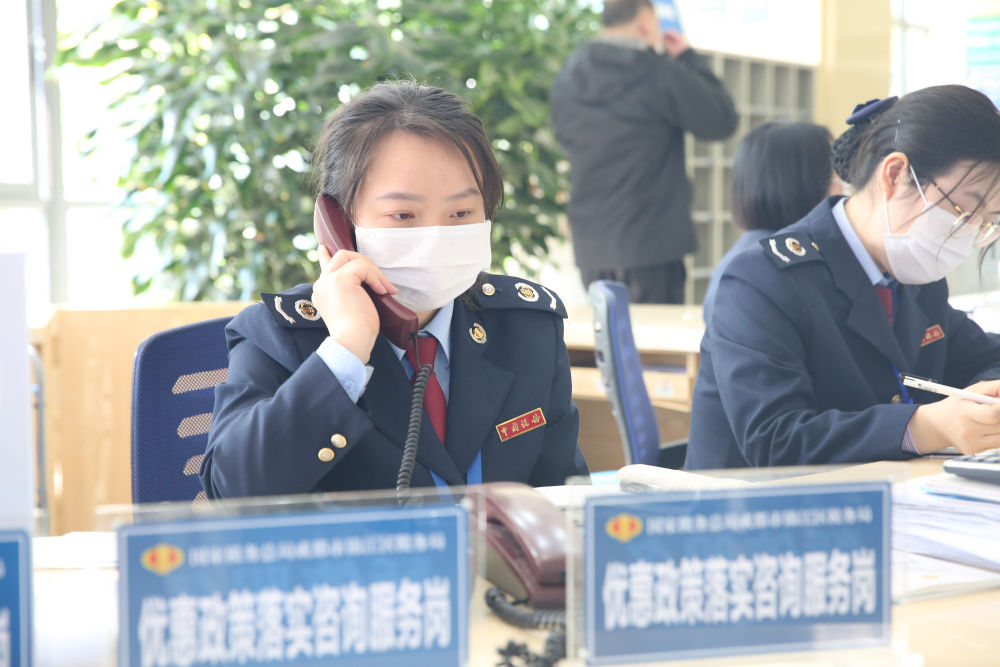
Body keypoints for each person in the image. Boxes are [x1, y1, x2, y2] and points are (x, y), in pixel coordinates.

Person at [200, 81, 589, 498]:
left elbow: (566, 496)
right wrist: (346, 350)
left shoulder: (526, 328)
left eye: (461, 212)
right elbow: (232, 491)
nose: (436, 237)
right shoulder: (280, 336)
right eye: (403, 215)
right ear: (339, 223)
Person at [686, 85, 1000, 470]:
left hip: (883, 492)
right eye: (964, 210)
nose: (969, 231)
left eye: (987, 221)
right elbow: (774, 440)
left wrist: (988, 400)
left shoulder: (915, 277)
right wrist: (924, 426)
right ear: (895, 175)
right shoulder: (762, 279)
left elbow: (985, 357)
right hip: (754, 501)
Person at [549, 0, 737, 304]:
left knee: (606, 331)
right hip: (651, 244)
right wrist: (686, 56)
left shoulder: (568, 75)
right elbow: (721, 119)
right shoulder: (656, 72)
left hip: (592, 246)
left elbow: (562, 135)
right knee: (654, 334)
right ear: (646, 21)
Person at [702, 121, 838, 322]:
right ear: (804, 184)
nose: (840, 187)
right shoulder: (788, 260)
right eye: (834, 174)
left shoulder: (744, 253)